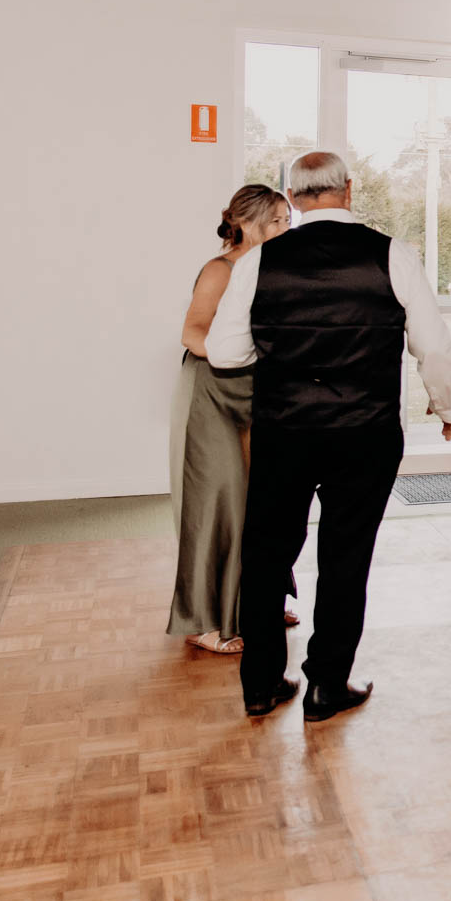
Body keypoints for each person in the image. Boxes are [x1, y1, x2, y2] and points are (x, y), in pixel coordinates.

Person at [206, 152, 451, 719]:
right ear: (349, 189)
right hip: (364, 431)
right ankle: (326, 685)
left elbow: (225, 354)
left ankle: (261, 684)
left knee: (267, 553)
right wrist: (446, 407)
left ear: (292, 197)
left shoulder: (258, 261)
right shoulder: (393, 253)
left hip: (284, 428)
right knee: (347, 555)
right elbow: (435, 347)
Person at [168, 185, 293, 654]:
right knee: (220, 502)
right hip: (213, 390)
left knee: (264, 497)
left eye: (287, 219)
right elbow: (192, 330)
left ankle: (258, 601)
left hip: (260, 390)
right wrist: (234, 354)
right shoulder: (220, 270)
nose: (286, 228)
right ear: (246, 223)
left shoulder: (277, 267)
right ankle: (206, 620)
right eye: (277, 220)